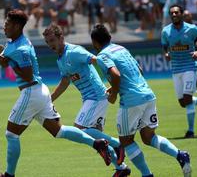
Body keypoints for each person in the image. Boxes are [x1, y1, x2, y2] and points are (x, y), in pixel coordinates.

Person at [0, 9, 111, 177]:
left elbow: (26, 75)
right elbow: (6, 64)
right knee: (59, 131)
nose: (4, 26)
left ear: (17, 26)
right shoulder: (13, 43)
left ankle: (9, 175)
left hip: (31, 91)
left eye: (7, 24)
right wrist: (2, 57)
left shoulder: (22, 48)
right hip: (39, 91)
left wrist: (8, 60)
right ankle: (97, 143)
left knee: (11, 134)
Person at [90, 23, 192, 177]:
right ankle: (180, 155)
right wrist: (118, 87)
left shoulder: (102, 56)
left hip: (131, 101)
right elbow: (139, 70)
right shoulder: (121, 49)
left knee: (125, 140)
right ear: (109, 37)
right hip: (148, 94)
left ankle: (147, 174)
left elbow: (116, 75)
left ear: (95, 42)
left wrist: (114, 93)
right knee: (148, 137)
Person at [42, 23, 131, 177]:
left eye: (52, 40)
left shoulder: (74, 52)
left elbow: (97, 60)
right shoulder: (60, 59)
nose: (50, 45)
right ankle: (121, 167)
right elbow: (65, 82)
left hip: (96, 96)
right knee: (94, 136)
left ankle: (118, 145)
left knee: (80, 130)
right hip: (89, 98)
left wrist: (114, 79)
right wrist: (49, 100)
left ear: (61, 37)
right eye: (47, 42)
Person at [161, 5, 197, 138]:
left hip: (190, 67)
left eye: (176, 12)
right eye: (171, 13)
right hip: (176, 68)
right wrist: (166, 54)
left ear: (182, 14)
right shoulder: (166, 31)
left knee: (188, 99)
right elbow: (165, 47)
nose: (174, 15)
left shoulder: (192, 29)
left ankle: (191, 131)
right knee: (182, 102)